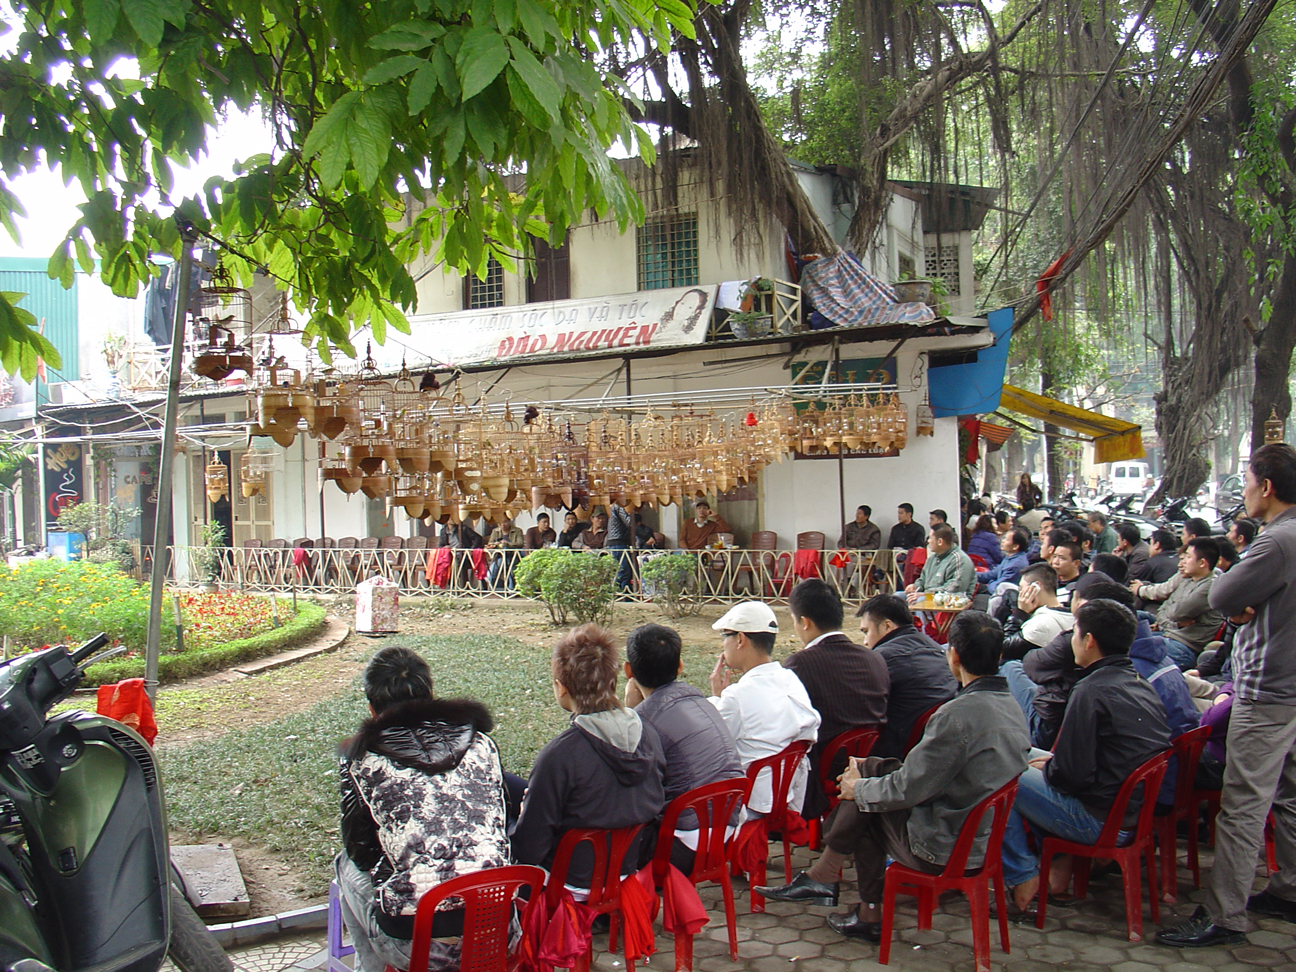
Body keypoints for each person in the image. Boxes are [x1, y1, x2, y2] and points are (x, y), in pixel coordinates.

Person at [753, 611, 1030, 942]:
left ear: (953, 655)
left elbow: (910, 788)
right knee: (871, 772)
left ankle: (851, 898)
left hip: (946, 844)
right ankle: (828, 878)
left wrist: (860, 789)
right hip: (979, 838)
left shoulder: (957, 716)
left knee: (869, 804)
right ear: (998, 656)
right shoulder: (1011, 705)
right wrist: (866, 781)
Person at [1156, 443, 1296, 947]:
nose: (1245, 490)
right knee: (1290, 794)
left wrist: (1241, 608)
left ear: (1268, 487)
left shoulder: (1275, 542)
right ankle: (1288, 889)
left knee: (1243, 804)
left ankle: (1225, 915)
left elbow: (1219, 595)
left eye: (1249, 480)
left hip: (1270, 688)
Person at [338, 646, 510, 972]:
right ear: (431, 694)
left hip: (417, 948)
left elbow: (360, 852)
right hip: (498, 933)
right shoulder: (480, 743)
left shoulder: (361, 760)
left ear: (372, 709)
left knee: (344, 865)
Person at [1000, 599, 1170, 914]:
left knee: (1001, 770)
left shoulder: (1090, 689)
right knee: (1022, 753)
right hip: (1129, 811)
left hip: (1100, 819)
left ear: (1088, 641)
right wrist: (1052, 765)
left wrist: (1052, 769)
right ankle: (1056, 870)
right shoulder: (1137, 681)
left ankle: (1022, 876)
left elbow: (1070, 777)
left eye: (1074, 633)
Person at [512, 624, 666, 890]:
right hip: (627, 870)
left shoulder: (560, 755)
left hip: (570, 881)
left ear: (561, 688)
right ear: (615, 681)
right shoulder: (648, 733)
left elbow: (529, 849)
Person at [623, 623, 742, 871]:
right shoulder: (700, 701)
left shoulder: (644, 721)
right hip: (728, 832)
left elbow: (634, 788)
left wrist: (632, 712)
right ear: (680, 666)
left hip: (682, 847)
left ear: (628, 671)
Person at [783, 580, 890, 818]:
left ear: (805, 622)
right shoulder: (874, 658)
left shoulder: (801, 663)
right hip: (870, 757)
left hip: (825, 767)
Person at [707, 601, 821, 817]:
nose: (723, 645)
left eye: (725, 636)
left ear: (740, 639)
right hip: (786, 795)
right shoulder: (790, 678)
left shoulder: (737, 695)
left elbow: (714, 748)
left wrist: (716, 698)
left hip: (749, 804)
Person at [856, 594, 958, 758]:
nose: (865, 642)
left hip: (900, 752)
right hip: (941, 743)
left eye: (866, 632)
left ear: (887, 626)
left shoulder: (881, 658)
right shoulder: (934, 647)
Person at [1131, 537, 1224, 669]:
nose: (1182, 562)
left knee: (1133, 650)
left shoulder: (1209, 586)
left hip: (1183, 647)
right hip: (1169, 633)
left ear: (1202, 563)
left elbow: (1176, 612)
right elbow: (1164, 609)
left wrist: (1167, 620)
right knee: (1131, 618)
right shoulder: (1188, 578)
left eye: (1188, 557)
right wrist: (1172, 623)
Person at [999, 562, 1072, 661]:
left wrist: (1019, 613)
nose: (1020, 594)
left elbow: (1001, 650)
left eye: (1021, 588)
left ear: (1035, 587)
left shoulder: (1041, 624)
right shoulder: (1067, 613)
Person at [906, 524, 976, 599]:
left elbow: (954, 589)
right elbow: (922, 579)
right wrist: (915, 587)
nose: (928, 541)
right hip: (928, 596)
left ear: (940, 542)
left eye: (930, 538)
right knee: (898, 598)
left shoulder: (960, 560)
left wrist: (926, 595)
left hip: (949, 601)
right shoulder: (931, 558)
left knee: (920, 600)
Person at [979, 526, 1031, 595]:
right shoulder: (1010, 557)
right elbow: (992, 574)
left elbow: (998, 588)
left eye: (1007, 540)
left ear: (1015, 546)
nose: (1002, 541)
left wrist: (990, 582)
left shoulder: (1016, 565)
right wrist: (973, 574)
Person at [605, 498, 636, 592]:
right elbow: (629, 522)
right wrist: (633, 515)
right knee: (623, 570)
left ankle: (621, 593)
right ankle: (617, 592)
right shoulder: (618, 506)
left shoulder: (613, 508)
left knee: (621, 570)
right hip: (618, 542)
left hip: (616, 542)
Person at [1048, 540, 1085, 605]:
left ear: (1076, 563)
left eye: (1062, 558)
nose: (1055, 562)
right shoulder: (1049, 582)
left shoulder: (1081, 588)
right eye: (1055, 556)